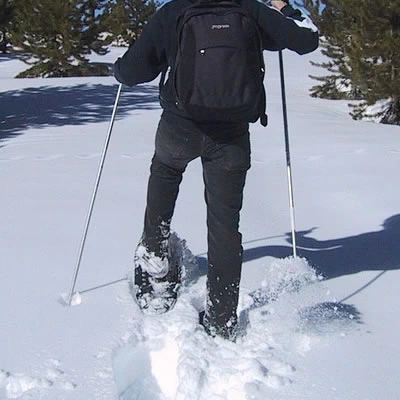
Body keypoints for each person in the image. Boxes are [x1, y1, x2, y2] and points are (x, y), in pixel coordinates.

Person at [114, 0, 319, 341]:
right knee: (225, 224)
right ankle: (221, 319)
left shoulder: (175, 11)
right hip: (231, 135)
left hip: (180, 126)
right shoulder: (251, 10)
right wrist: (285, 9)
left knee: (165, 171)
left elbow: (134, 71)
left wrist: (119, 70)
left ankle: (155, 262)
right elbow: (307, 40)